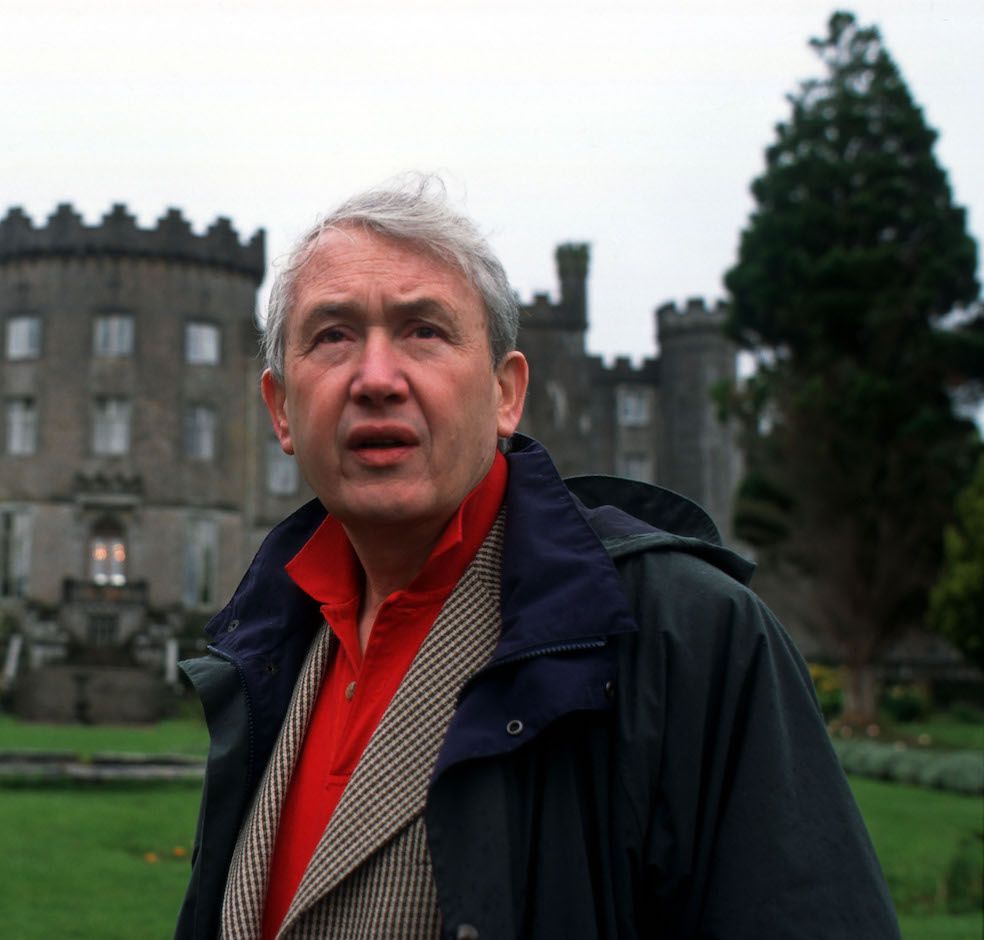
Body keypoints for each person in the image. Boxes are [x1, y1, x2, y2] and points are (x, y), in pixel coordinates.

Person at [175, 177, 898, 940]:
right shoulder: (265, 649)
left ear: (506, 395)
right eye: (332, 336)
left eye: (424, 331)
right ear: (281, 410)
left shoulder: (689, 636)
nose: (377, 379)